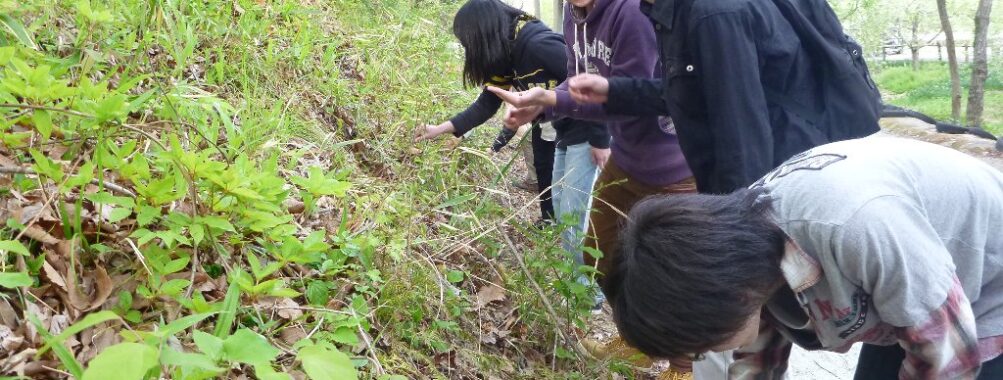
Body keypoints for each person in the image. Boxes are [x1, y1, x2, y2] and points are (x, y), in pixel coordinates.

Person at [608, 136, 1003, 379]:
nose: (709, 355)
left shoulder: (855, 225)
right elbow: (755, 363)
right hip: (915, 290)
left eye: (701, 347)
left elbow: (950, 360)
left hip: (988, 289)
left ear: (728, 301)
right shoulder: (739, 256)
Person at [564, 0, 880, 195]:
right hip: (775, 176)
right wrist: (613, 89)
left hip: (794, 180)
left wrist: (736, 235)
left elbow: (742, 141)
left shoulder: (712, 14)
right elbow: (694, 91)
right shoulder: (669, 9)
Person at [416, 0, 609, 224]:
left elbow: (590, 81)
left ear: (483, 35)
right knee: (546, 173)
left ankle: (577, 244)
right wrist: (440, 129)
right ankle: (549, 223)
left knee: (574, 205)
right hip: (549, 120)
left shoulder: (538, 45)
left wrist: (601, 137)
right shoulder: (505, 55)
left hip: (584, 124)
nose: (470, 51)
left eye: (469, 44)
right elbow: (487, 102)